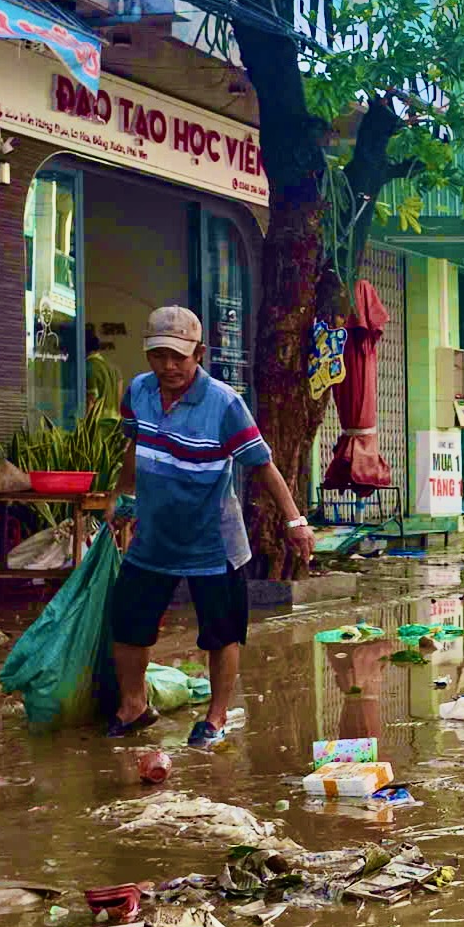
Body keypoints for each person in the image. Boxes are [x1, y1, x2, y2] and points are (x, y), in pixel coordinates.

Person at [105, 306, 317, 744]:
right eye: (159, 355)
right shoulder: (139, 392)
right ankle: (133, 706)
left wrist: (295, 520)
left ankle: (216, 717)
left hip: (212, 540)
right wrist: (123, 498)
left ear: (199, 353)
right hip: (153, 536)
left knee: (221, 634)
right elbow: (134, 446)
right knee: (128, 623)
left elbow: (263, 466)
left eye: (179, 357)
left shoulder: (224, 403)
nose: (169, 366)